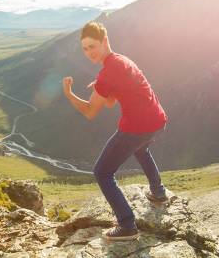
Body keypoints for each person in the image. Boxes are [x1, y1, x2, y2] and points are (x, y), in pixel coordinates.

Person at [62, 21, 169, 241]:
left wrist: (69, 93)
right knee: (141, 150)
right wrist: (103, 88)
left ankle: (127, 225)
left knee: (102, 172)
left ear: (105, 41)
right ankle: (158, 193)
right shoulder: (122, 60)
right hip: (157, 120)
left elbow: (91, 112)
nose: (89, 52)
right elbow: (111, 101)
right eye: (85, 48)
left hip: (137, 127)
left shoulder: (108, 73)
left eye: (93, 46)